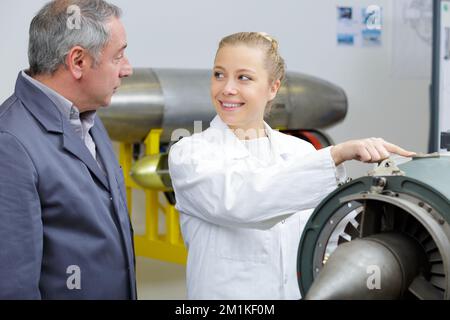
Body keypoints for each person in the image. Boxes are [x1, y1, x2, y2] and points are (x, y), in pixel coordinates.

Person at [168, 32, 415, 299]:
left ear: (273, 87)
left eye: (244, 77)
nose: (227, 88)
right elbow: (243, 201)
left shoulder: (299, 151)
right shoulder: (191, 154)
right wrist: (336, 154)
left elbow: (328, 235)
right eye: (218, 74)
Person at [0, 0, 135, 299]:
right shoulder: (10, 144)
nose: (127, 69)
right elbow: (13, 286)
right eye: (119, 56)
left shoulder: (88, 118)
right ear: (77, 62)